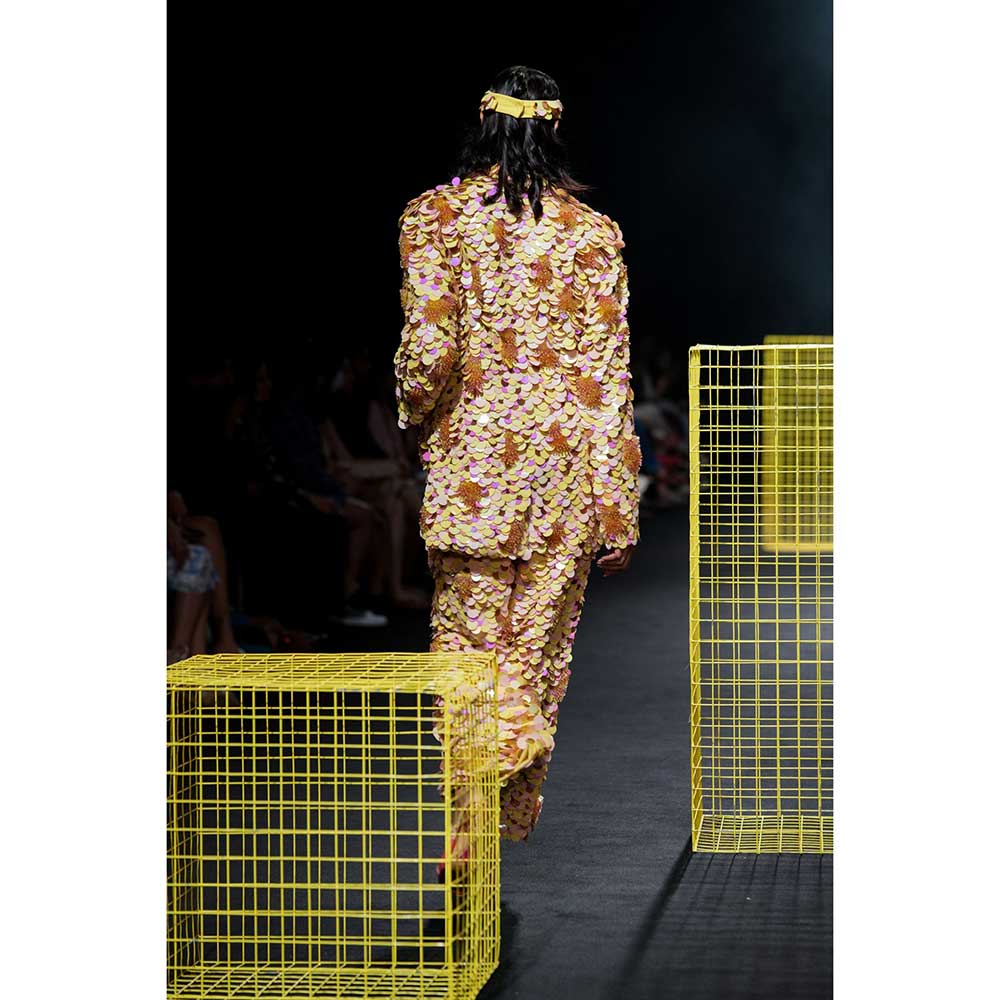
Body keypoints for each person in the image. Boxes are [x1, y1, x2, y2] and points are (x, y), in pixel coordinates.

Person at [393, 66, 642, 883]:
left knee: (468, 655)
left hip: (472, 472)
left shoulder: (435, 216)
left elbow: (430, 349)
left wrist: (414, 411)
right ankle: (494, 801)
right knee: (530, 659)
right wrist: (618, 506)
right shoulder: (592, 234)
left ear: (482, 122)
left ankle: (469, 813)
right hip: (563, 482)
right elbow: (606, 378)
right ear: (555, 129)